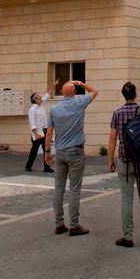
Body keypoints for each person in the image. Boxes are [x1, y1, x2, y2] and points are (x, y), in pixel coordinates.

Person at [108, 81, 140, 248]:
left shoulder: (117, 113)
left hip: (125, 160)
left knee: (126, 199)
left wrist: (110, 159)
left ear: (123, 95)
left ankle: (127, 237)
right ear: (135, 94)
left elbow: (112, 138)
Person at [44, 79, 98, 236]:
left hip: (60, 152)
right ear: (74, 93)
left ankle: (59, 224)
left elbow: (49, 132)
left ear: (61, 93)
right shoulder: (80, 103)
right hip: (75, 151)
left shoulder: (54, 109)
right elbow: (95, 91)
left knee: (59, 188)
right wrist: (80, 83)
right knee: (74, 189)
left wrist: (47, 151)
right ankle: (74, 225)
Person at [25, 89, 54, 173]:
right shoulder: (32, 110)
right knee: (34, 150)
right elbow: (32, 123)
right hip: (37, 132)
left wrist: (54, 85)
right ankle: (28, 166)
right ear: (35, 100)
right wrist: (36, 134)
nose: (41, 98)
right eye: (39, 97)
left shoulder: (41, 104)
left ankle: (47, 167)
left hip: (44, 131)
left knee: (47, 149)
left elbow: (47, 95)